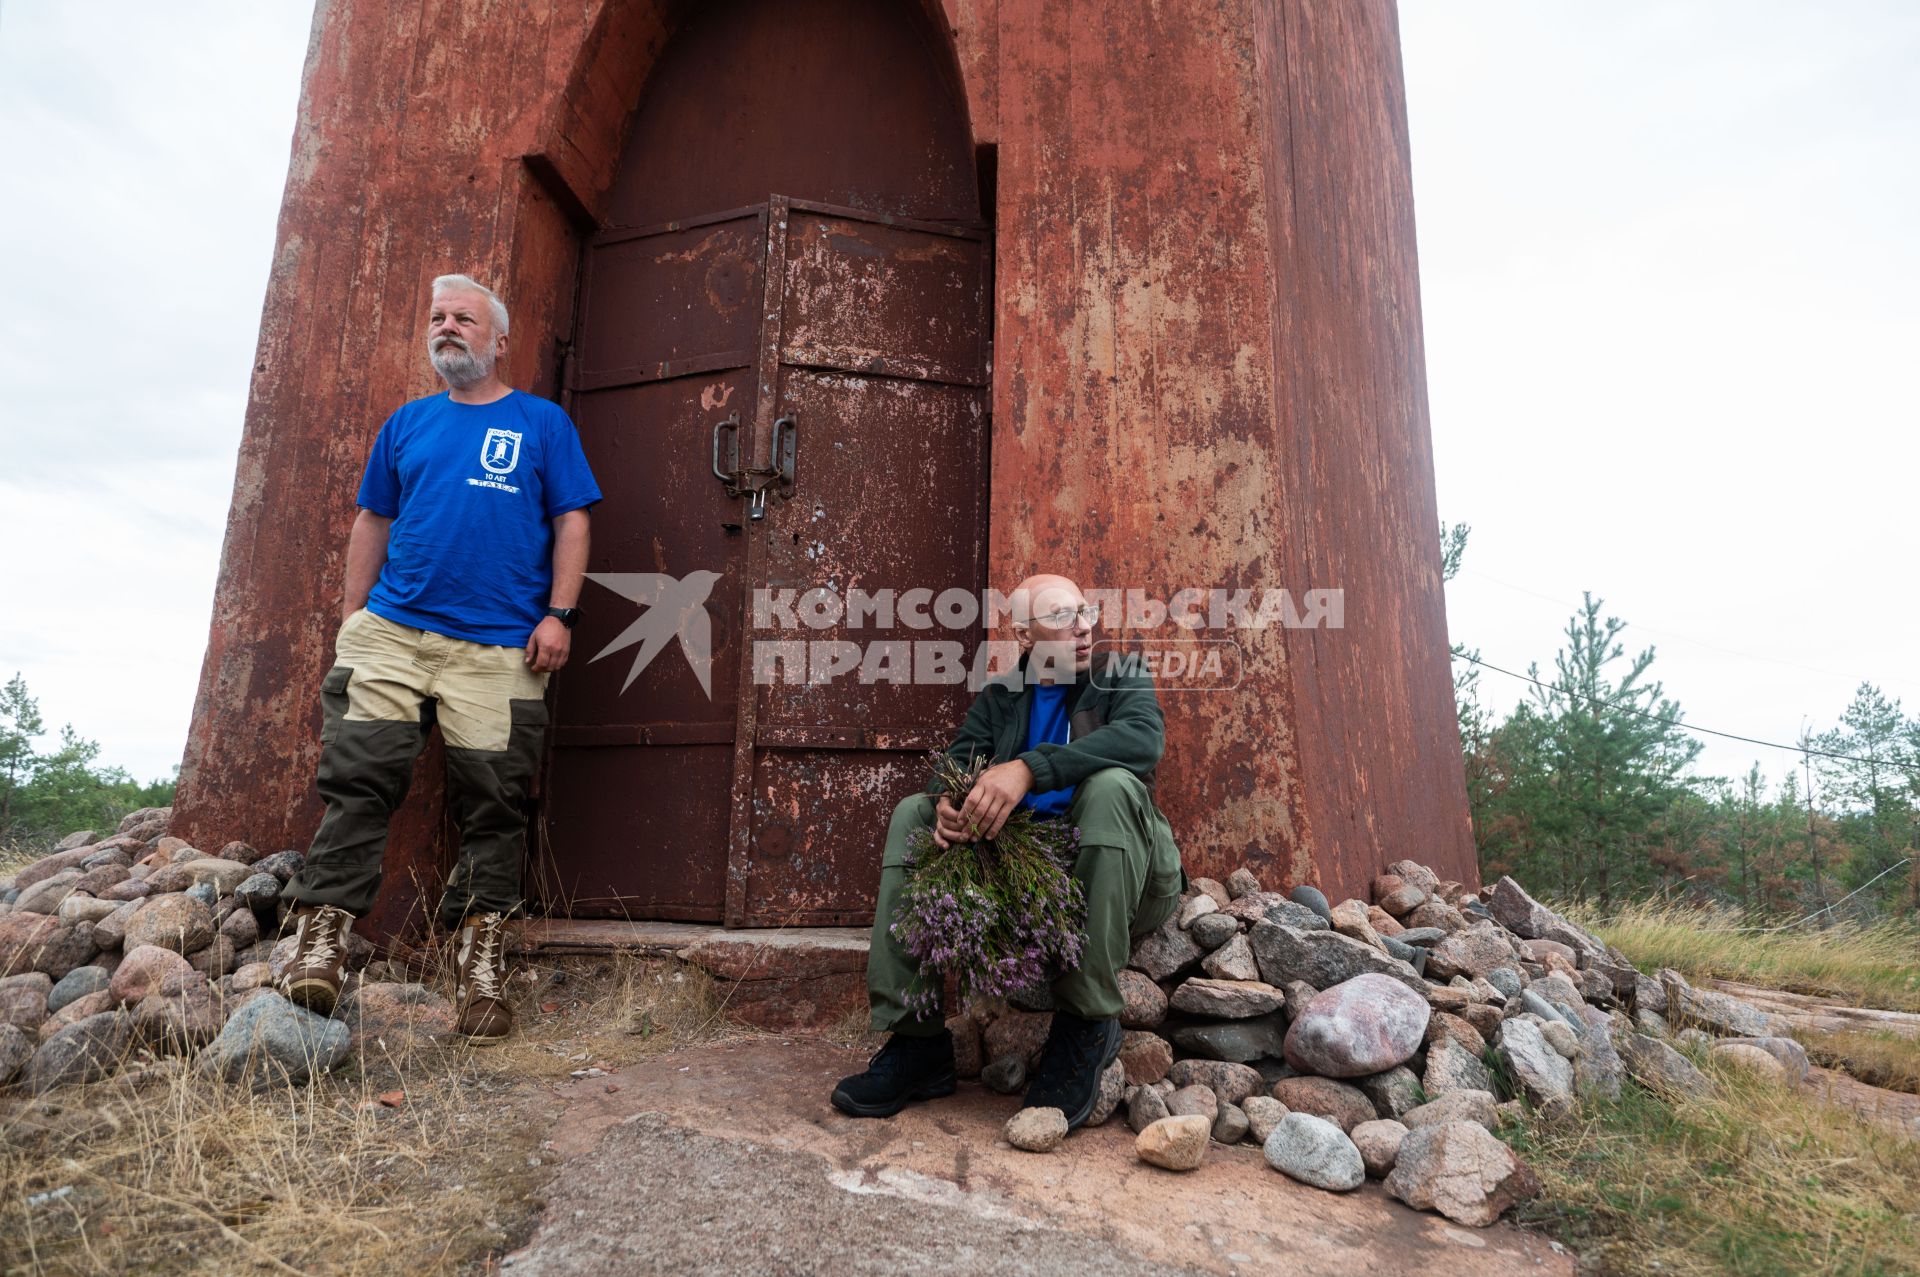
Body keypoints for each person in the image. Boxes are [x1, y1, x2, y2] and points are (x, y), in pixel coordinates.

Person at [277, 273, 602, 1043]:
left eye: (463, 318)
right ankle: (323, 942)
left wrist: (559, 614)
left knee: (493, 803)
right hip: (391, 635)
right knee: (359, 781)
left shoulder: (541, 423)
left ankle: (479, 964)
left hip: (498, 647)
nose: (447, 327)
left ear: (498, 341)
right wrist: (353, 617)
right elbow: (372, 518)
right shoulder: (408, 424)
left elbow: (573, 522)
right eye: (437, 317)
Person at [831, 574, 1184, 1129]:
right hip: (1031, 883)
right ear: (1023, 636)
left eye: (1086, 611)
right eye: (1062, 617)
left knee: (1112, 786)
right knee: (912, 815)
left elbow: (1142, 740)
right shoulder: (1002, 696)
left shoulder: (1121, 675)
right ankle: (917, 1043)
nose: (1084, 625)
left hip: (1122, 876)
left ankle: (1086, 1024)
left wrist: (1027, 769)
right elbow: (955, 763)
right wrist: (949, 801)